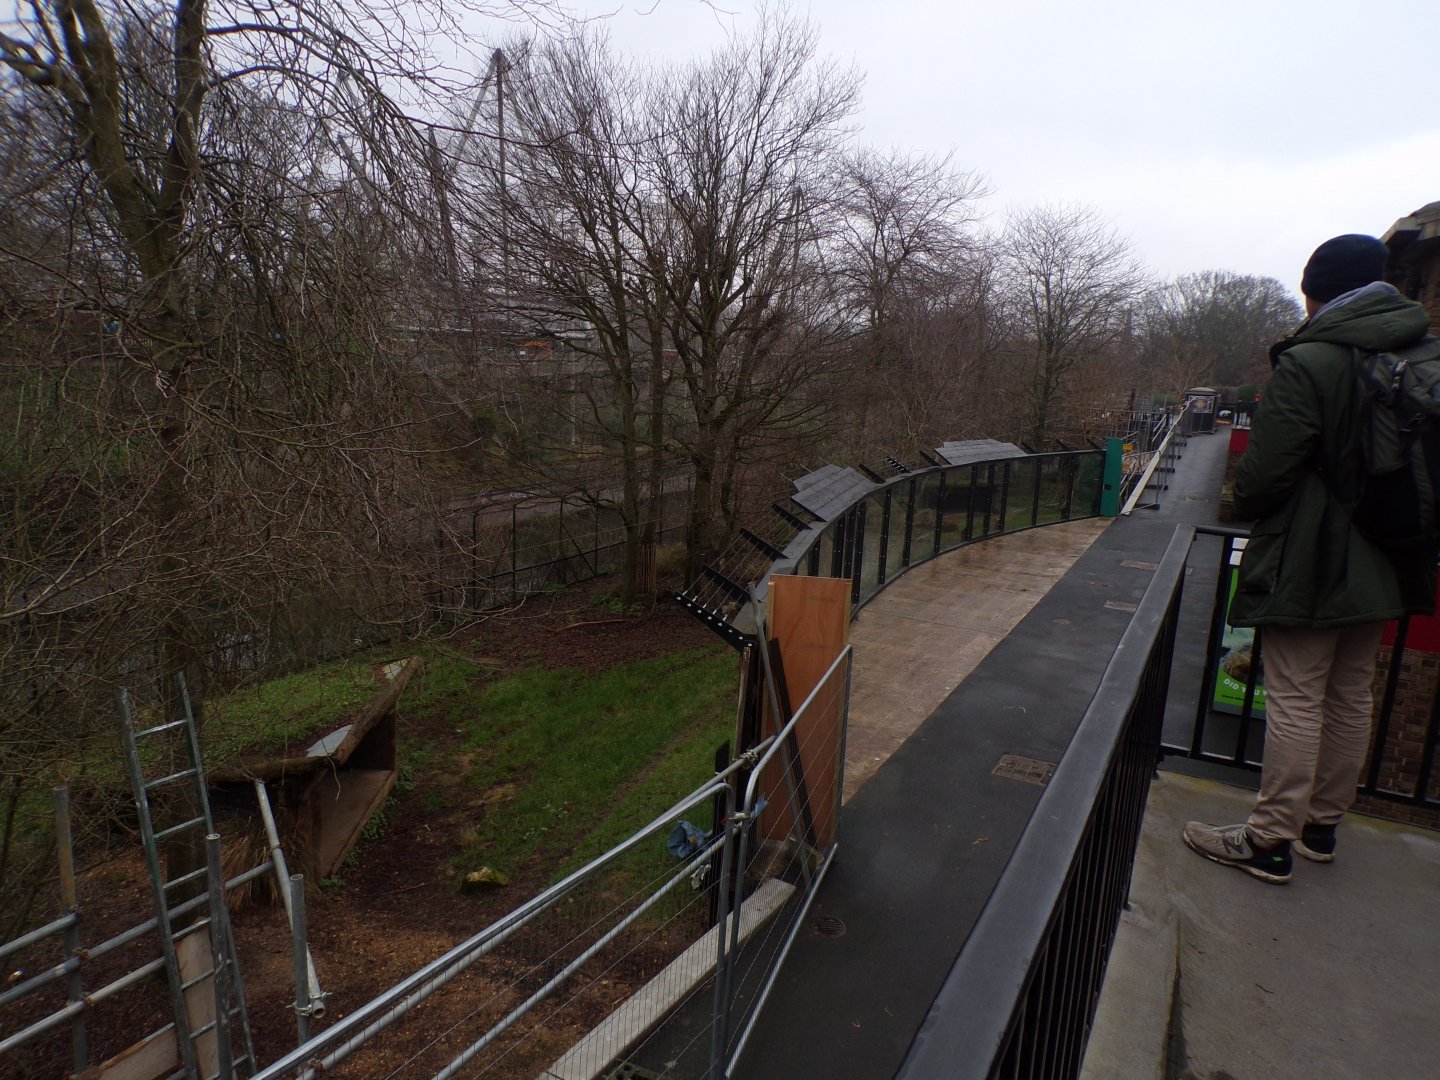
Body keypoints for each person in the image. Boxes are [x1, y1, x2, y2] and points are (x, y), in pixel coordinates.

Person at [1183, 234, 1438, 884]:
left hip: (1313, 556)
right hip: (1391, 556)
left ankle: (1269, 840)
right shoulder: (1421, 353)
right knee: (1351, 692)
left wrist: (1248, 499)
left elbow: (1265, 475)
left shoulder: (1314, 360)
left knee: (1295, 696)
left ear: (1314, 293)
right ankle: (1321, 827)